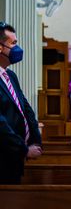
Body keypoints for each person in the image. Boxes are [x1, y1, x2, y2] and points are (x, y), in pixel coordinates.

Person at [0, 22, 42, 184]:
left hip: (13, 159)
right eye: (13, 43)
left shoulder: (10, 76)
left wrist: (36, 141)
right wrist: (23, 149)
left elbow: (25, 109)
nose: (17, 48)